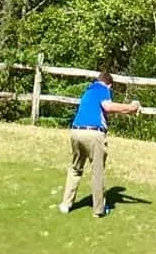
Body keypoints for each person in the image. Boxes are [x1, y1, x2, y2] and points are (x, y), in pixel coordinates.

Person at [58, 69, 140, 217]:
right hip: (94, 134)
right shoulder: (103, 89)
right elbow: (108, 107)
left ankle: (66, 204)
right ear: (109, 84)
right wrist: (132, 106)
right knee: (97, 172)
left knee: (76, 168)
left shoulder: (88, 91)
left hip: (76, 132)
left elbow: (107, 110)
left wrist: (129, 109)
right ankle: (99, 210)